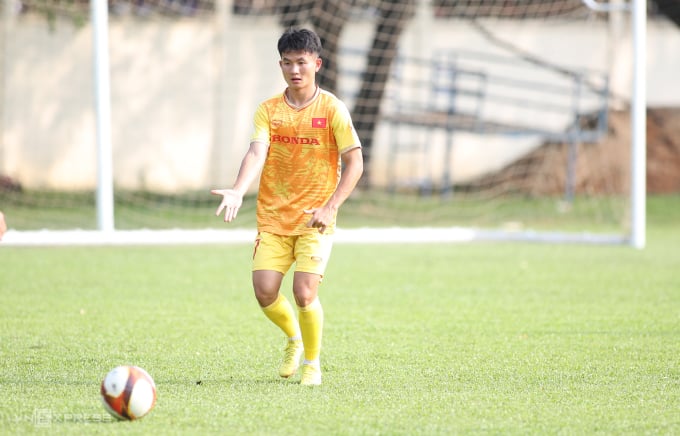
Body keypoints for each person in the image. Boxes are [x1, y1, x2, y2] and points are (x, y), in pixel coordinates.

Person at [211, 28, 363, 386]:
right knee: (264, 291)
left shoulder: (332, 109)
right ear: (280, 64)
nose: (295, 70)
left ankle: (312, 363)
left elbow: (355, 163)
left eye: (302, 63)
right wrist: (237, 189)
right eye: (288, 63)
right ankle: (294, 339)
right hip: (274, 217)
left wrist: (331, 207)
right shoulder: (268, 110)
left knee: (304, 292)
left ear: (317, 64)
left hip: (315, 220)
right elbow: (256, 151)